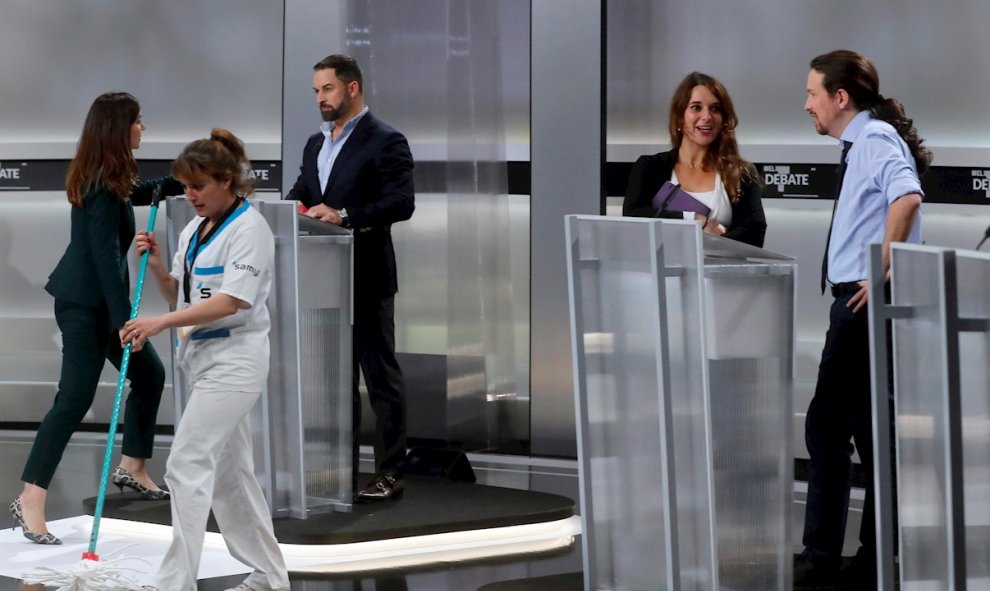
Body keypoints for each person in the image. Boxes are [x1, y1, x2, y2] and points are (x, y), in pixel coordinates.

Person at [11, 92, 180, 546]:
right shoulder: (101, 185)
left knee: (150, 375)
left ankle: (133, 467)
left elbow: (143, 192)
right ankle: (30, 497)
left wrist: (190, 178)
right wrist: (128, 324)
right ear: (119, 128)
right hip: (85, 307)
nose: (144, 129)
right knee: (74, 400)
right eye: (139, 122)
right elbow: (106, 259)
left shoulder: (110, 179)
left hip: (98, 305)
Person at [123, 129, 289, 591]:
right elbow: (184, 292)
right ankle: (270, 578)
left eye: (198, 186)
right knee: (231, 476)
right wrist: (157, 267)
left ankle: (174, 582)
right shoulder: (196, 229)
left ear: (227, 182)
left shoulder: (250, 228)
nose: (189, 195)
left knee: (186, 462)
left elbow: (233, 302)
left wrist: (159, 324)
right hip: (200, 360)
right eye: (185, 186)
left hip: (235, 361)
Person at [796, 49, 930, 587]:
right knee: (874, 437)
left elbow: (908, 197)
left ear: (840, 97)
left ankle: (821, 560)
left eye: (812, 93)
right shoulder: (869, 139)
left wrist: (878, 275)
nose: (807, 104)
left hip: (860, 308)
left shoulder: (873, 140)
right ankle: (875, 559)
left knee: (826, 431)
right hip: (870, 308)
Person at [285, 54, 415, 502]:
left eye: (328, 89)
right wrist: (290, 212)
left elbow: (402, 203)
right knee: (336, 382)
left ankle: (390, 472)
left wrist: (344, 216)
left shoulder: (385, 140)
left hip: (368, 275)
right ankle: (341, 468)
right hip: (323, 279)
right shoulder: (314, 143)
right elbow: (303, 193)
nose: (320, 98)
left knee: (379, 377)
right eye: (317, 91)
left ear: (352, 88)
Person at [623, 72, 767, 247]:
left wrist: (713, 243)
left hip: (719, 272)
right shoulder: (650, 167)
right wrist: (696, 220)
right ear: (679, 117)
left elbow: (755, 233)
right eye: (696, 107)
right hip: (661, 272)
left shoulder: (741, 173)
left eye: (715, 108)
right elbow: (634, 217)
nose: (706, 116)